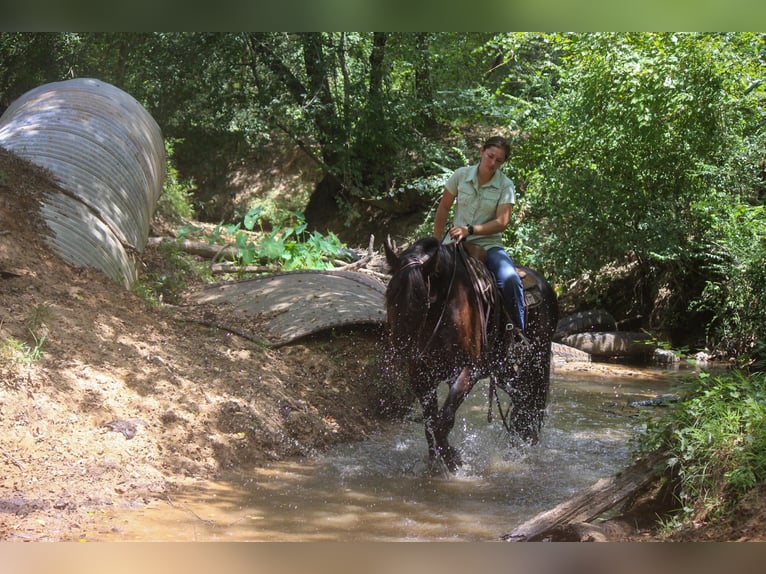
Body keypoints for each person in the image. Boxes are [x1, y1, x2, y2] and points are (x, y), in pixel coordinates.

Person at [434, 135, 526, 333]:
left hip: (488, 245)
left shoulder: (506, 185)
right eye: (490, 156)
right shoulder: (460, 175)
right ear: (482, 151)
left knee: (509, 279)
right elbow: (443, 209)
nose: (493, 163)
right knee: (418, 273)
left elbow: (502, 222)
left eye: (499, 160)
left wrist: (471, 230)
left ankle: (517, 333)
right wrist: (435, 242)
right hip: (453, 242)